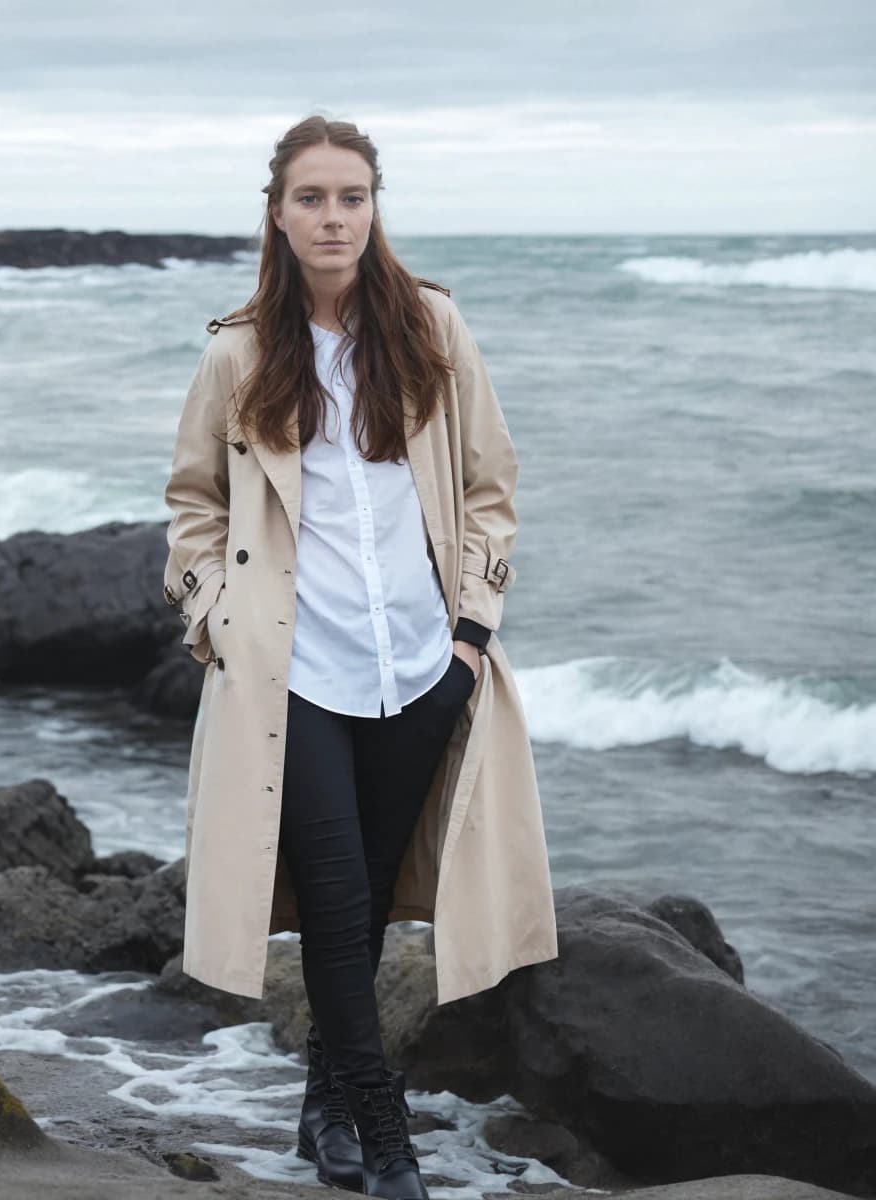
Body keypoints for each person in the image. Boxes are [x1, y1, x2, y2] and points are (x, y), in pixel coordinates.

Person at [162, 115, 557, 1199]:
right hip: (294, 676)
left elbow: (489, 488)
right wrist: (218, 623)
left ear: (373, 207)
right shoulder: (238, 351)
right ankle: (386, 1143)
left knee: (373, 902)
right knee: (337, 905)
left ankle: (320, 1106)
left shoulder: (430, 327)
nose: (332, 217)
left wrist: (471, 634)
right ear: (277, 213)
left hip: (423, 667)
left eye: (350, 197)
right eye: (310, 198)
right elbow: (191, 506)